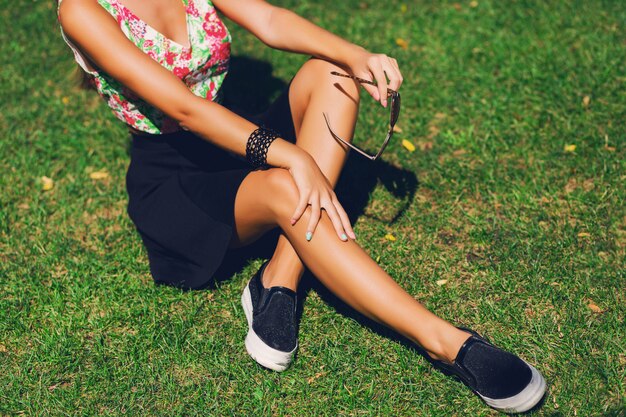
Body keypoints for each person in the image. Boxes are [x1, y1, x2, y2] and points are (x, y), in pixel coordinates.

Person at [57, 0, 546, 413]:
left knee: (331, 75)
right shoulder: (82, 9)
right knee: (288, 186)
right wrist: (290, 156)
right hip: (175, 180)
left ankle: (278, 280)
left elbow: (268, 20)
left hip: (231, 138)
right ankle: (447, 343)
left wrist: (356, 56)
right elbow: (185, 109)